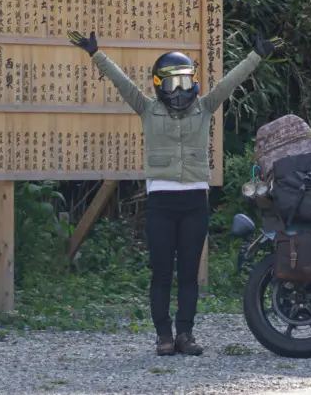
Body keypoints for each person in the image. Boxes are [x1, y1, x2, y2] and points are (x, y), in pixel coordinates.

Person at [68, 28, 280, 357]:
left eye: (184, 81)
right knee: (162, 273)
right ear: (159, 85)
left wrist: (257, 54)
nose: (179, 89)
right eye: (171, 83)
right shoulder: (147, 109)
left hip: (195, 201)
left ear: (193, 82)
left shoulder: (205, 107)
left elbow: (230, 82)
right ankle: (163, 336)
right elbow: (122, 82)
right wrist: (96, 54)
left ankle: (186, 334)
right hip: (161, 203)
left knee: (189, 274)